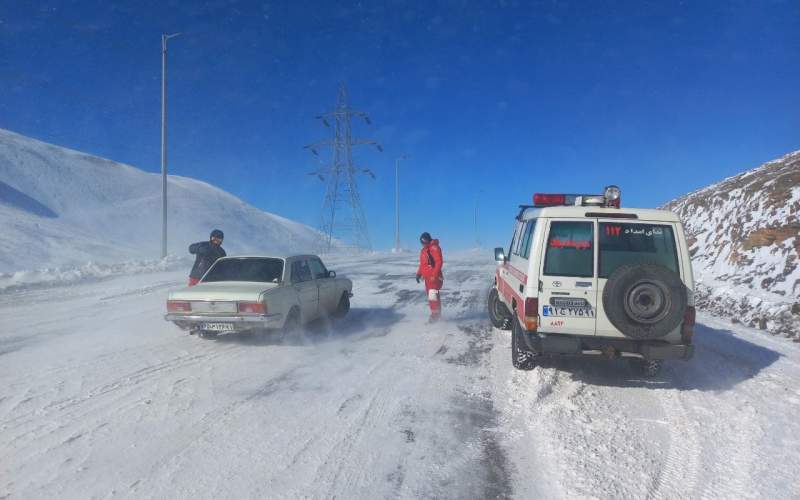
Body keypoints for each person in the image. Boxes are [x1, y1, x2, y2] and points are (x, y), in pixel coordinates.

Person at [415, 232, 444, 322]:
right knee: (432, 296)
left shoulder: (434, 248)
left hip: (434, 277)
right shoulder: (424, 250)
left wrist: (434, 275)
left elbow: (439, 262)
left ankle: (435, 315)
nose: (423, 244)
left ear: (427, 240)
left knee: (433, 295)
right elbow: (423, 264)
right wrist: (419, 274)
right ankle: (436, 314)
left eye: (424, 242)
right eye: (422, 243)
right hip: (428, 278)